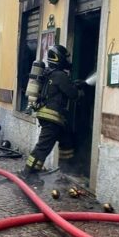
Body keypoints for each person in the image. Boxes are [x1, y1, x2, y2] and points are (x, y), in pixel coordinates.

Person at [21, 45, 83, 183]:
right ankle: (28, 173)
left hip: (53, 117)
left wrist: (73, 84)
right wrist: (79, 90)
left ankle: (66, 171)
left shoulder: (49, 73)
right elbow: (72, 94)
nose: (68, 60)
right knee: (43, 146)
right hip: (52, 117)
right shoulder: (60, 75)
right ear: (60, 58)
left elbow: (58, 90)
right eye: (66, 57)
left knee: (67, 141)